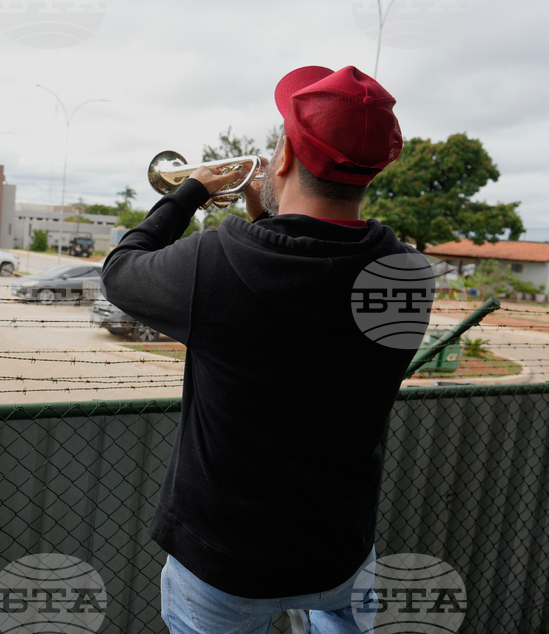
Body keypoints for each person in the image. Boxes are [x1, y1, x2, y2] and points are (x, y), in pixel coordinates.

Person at [100, 66, 431, 634]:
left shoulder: (214, 264)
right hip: (338, 554)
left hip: (222, 565)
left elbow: (120, 272)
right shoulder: (408, 275)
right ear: (374, 169)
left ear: (282, 158)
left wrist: (193, 191)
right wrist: (266, 213)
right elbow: (312, 282)